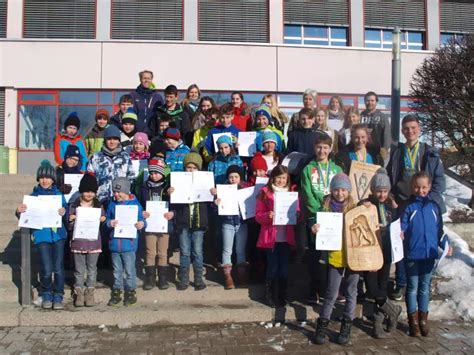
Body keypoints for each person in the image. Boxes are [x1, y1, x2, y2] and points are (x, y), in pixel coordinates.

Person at [386, 114, 446, 300]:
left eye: (413, 128)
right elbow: (390, 176)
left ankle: (422, 281)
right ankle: (401, 282)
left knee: (421, 242)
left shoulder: (429, 152)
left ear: (419, 129)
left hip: (423, 204)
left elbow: (439, 182)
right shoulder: (397, 151)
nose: (410, 131)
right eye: (406, 128)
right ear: (402, 131)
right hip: (402, 203)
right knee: (400, 244)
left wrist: (431, 202)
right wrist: (391, 196)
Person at [401, 172, 452, 337]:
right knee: (412, 288)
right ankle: (413, 322)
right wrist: (400, 233)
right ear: (412, 187)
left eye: (424, 187)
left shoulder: (434, 207)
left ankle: (423, 319)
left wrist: (445, 245)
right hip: (412, 255)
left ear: (429, 187)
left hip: (429, 255)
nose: (420, 190)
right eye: (417, 187)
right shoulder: (408, 207)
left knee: (424, 288)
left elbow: (439, 231)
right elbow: (402, 226)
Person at [312, 173, 358, 345]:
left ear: (349, 191)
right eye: (336, 190)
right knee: (331, 293)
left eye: (343, 190)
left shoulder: (355, 209)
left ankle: (346, 327)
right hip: (334, 256)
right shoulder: (325, 208)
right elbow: (316, 225)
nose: (340, 193)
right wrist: (315, 228)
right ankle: (322, 326)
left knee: (352, 292)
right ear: (331, 190)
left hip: (353, 257)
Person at [16, 160, 67, 310]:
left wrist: (63, 212)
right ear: (38, 179)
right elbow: (25, 216)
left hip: (57, 236)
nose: (45, 180)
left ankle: (58, 294)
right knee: (45, 268)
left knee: (58, 267)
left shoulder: (59, 195)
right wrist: (19, 211)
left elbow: (67, 213)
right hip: (41, 235)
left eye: (48, 177)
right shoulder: (32, 197)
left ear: (53, 179)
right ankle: (46, 293)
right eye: (42, 178)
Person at [360, 169, 402, 338]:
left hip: (386, 250)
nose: (382, 194)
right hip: (371, 251)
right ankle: (393, 310)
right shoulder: (367, 203)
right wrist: (363, 206)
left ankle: (378, 323)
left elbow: (397, 225)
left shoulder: (392, 204)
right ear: (372, 190)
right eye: (378, 190)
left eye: (385, 191)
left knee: (382, 285)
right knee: (371, 285)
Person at [300, 135, 343, 303]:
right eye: (319, 147)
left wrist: (332, 211)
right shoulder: (307, 169)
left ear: (330, 149)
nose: (322, 150)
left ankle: (331, 289)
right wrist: (320, 211)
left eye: (325, 147)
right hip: (316, 217)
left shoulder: (337, 169)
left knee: (332, 254)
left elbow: (341, 192)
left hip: (333, 217)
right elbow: (307, 194)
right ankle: (314, 289)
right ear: (314, 148)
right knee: (315, 255)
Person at [255, 165, 298, 307]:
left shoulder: (292, 192)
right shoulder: (265, 192)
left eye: (284, 178)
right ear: (273, 177)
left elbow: (297, 212)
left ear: (288, 179)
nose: (281, 180)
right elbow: (258, 216)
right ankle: (270, 295)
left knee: (284, 268)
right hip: (271, 238)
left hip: (286, 237)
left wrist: (297, 215)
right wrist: (268, 215)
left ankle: (282, 295)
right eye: (278, 177)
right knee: (273, 266)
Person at [169, 151, 209, 291]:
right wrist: (171, 193)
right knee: (185, 251)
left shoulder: (205, 182)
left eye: (194, 167)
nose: (191, 170)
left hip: (199, 222)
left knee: (197, 251)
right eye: (188, 167)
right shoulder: (178, 182)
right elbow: (174, 204)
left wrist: (214, 194)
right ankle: (184, 279)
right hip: (183, 222)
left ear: (199, 169)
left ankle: (198, 279)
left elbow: (211, 202)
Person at [67, 173, 106, 307]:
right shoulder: (74, 205)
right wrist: (71, 220)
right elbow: (69, 225)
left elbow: (103, 223)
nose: (89, 194)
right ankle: (79, 292)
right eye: (86, 191)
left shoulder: (98, 206)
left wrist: (103, 220)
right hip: (78, 242)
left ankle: (90, 292)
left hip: (94, 243)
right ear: (81, 191)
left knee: (92, 269)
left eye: (92, 191)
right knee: (79, 269)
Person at [106, 177, 146, 306]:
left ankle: (130, 291)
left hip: (129, 244)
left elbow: (141, 220)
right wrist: (109, 223)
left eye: (119, 192)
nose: (116, 195)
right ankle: (117, 290)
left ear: (127, 191)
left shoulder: (135, 205)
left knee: (129, 270)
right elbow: (107, 219)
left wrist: (142, 224)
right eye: (114, 192)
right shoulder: (112, 204)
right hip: (114, 244)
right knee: (116, 270)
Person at [214, 165, 250, 289]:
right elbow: (216, 209)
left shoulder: (245, 189)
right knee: (227, 250)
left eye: (236, 176)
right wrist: (216, 203)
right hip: (228, 222)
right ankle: (227, 276)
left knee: (240, 250)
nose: (233, 179)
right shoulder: (223, 189)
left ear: (240, 177)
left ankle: (241, 275)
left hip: (241, 223)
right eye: (231, 177)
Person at [139, 158, 172, 291]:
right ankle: (150, 277)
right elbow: (140, 203)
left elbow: (176, 205)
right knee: (150, 251)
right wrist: (142, 212)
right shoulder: (144, 187)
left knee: (162, 252)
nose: (154, 175)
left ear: (163, 173)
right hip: (150, 225)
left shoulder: (168, 188)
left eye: (157, 173)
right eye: (152, 173)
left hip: (164, 224)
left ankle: (163, 278)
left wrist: (172, 213)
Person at [87, 125, 135, 204]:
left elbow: (131, 177)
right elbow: (90, 178)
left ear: (119, 141)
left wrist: (125, 194)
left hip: (120, 199)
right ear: (105, 140)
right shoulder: (96, 157)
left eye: (115, 139)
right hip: (101, 199)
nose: (112, 142)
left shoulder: (125, 157)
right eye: (109, 139)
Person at [360, 91, 391, 158]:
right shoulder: (360, 116)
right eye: (367, 100)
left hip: (377, 153)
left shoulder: (382, 117)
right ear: (364, 102)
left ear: (376, 102)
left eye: (372, 100)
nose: (370, 103)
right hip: (361, 151)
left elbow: (387, 135)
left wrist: (384, 150)